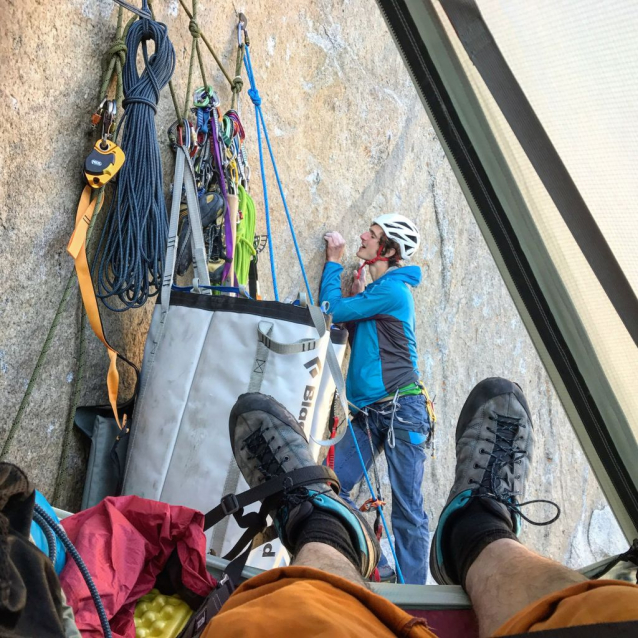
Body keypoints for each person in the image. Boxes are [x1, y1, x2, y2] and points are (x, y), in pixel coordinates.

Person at [202, 378, 638, 638]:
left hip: (395, 413)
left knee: (293, 626)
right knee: (603, 618)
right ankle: (477, 531)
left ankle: (323, 528)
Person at [318, 213, 433, 584]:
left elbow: (328, 311)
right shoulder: (378, 293)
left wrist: (333, 263)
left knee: (408, 509)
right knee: (332, 485)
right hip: (373, 413)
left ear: (388, 249)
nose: (363, 236)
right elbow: (357, 333)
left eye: (373, 234)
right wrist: (357, 302)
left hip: (402, 410)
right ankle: (381, 565)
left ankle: (416, 595)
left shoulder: (392, 292)